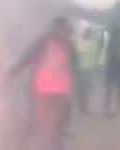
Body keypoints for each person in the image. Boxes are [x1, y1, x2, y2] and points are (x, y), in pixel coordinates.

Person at [7, 16, 78, 150]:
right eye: (62, 29)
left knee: (49, 118)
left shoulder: (47, 42)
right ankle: (47, 140)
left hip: (53, 87)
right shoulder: (64, 44)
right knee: (45, 119)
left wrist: (14, 71)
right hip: (48, 87)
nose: (62, 33)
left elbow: (27, 57)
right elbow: (27, 57)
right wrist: (14, 71)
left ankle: (49, 139)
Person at [101, 24, 120, 116]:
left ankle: (107, 107)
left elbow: (105, 51)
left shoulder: (107, 39)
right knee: (118, 87)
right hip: (118, 66)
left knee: (109, 87)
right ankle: (117, 107)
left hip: (109, 66)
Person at [74, 26, 100, 114]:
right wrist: (97, 66)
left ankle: (80, 107)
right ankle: (84, 108)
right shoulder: (92, 44)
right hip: (87, 69)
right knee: (86, 89)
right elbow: (95, 57)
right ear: (90, 35)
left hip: (78, 69)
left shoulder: (78, 43)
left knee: (80, 89)